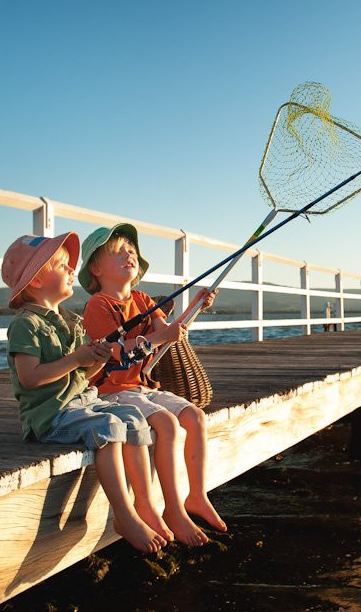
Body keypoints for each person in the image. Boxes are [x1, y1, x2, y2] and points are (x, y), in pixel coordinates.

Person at [1, 232, 170, 553]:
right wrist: (76, 358)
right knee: (108, 427)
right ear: (36, 281)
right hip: (50, 415)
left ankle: (144, 504)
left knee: (134, 418)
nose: (70, 271)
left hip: (80, 402)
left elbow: (83, 375)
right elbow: (30, 378)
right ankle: (124, 515)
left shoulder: (70, 321)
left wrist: (96, 360)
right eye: (62, 266)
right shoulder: (26, 324)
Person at [79, 224, 227, 547]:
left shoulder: (143, 299)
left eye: (131, 251)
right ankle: (172, 509)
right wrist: (161, 335)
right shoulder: (98, 306)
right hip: (111, 392)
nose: (129, 254)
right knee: (168, 426)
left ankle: (196, 496)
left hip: (141, 387)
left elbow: (168, 331)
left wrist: (195, 306)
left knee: (194, 417)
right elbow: (114, 352)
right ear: (96, 268)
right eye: (118, 251)